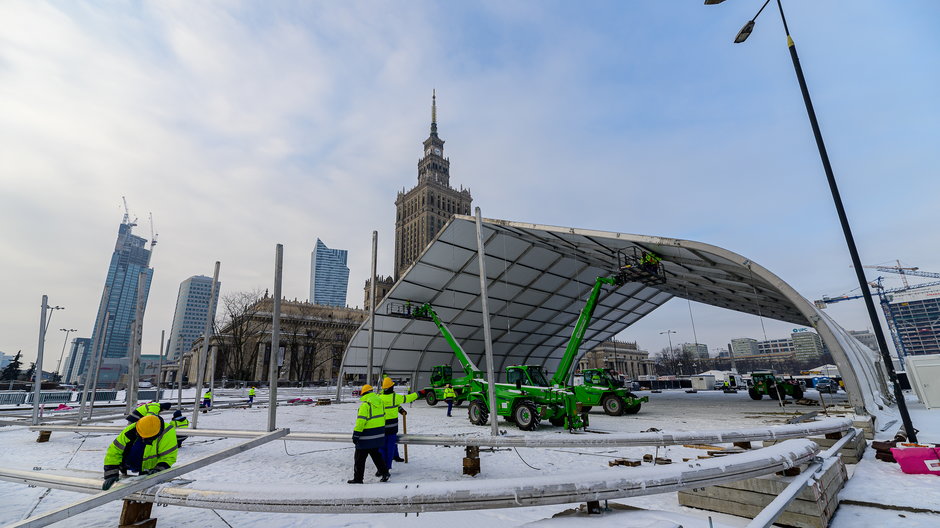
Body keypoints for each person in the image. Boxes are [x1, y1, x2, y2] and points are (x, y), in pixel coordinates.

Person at [102, 414, 178, 490]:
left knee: (145, 496)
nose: (142, 438)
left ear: (157, 434)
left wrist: (158, 470)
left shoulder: (168, 432)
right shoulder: (131, 430)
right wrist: (111, 474)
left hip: (149, 471)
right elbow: (114, 451)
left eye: (146, 437)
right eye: (141, 435)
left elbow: (168, 457)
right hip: (128, 470)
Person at [348, 384, 389, 484]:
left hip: (365, 437)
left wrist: (356, 435)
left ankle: (358, 479)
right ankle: (385, 472)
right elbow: (383, 418)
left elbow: (360, 422)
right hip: (377, 436)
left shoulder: (365, 405)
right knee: (376, 455)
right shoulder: (380, 403)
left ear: (364, 393)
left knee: (359, 459)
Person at [378, 377, 419, 470]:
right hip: (392, 428)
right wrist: (419, 393)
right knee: (391, 447)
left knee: (382, 448)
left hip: (381, 427)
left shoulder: (379, 398)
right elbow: (408, 398)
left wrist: (400, 409)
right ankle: (387, 467)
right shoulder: (395, 397)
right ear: (391, 387)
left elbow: (394, 405)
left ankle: (381, 467)